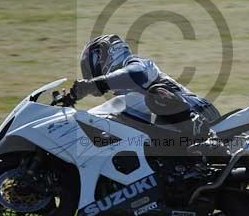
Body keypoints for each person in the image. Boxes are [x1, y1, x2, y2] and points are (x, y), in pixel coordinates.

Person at [69, 34, 220, 143]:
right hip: (176, 131)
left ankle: (199, 129)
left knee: (153, 94)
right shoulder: (123, 95)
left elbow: (136, 75)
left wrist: (93, 84)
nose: (90, 74)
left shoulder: (137, 64)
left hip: (202, 112)